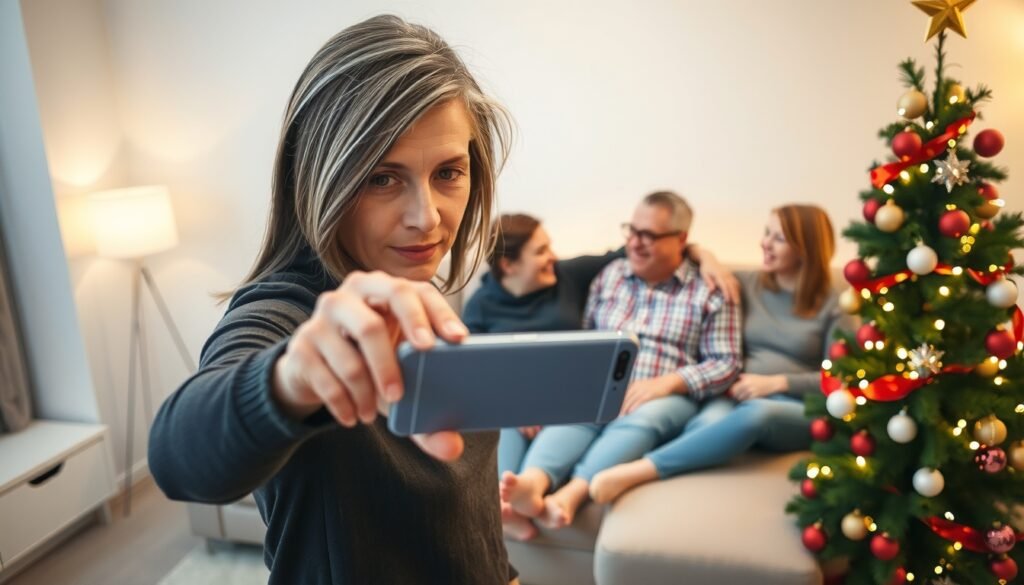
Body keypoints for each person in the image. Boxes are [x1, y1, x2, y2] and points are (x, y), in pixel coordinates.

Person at [148, 15, 520, 584]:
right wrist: (291, 377)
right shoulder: (287, 311)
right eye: (381, 178)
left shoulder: (429, 288)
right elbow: (180, 457)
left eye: (449, 172)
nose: (428, 218)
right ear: (323, 177)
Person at [465, 212, 738, 539]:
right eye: (541, 251)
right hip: (524, 399)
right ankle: (507, 502)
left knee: (586, 412)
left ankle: (538, 491)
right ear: (509, 265)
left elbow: (638, 248)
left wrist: (706, 257)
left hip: (579, 389)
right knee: (500, 421)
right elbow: (475, 371)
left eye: (549, 247)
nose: (553, 256)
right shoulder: (480, 306)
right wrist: (518, 402)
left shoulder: (569, 274)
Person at [589, 204, 849, 504]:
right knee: (706, 423)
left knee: (758, 414)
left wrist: (779, 383)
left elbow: (844, 379)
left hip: (800, 407)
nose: (764, 243)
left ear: (805, 247)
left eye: (778, 238)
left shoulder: (837, 304)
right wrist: (706, 257)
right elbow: (686, 251)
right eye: (766, 233)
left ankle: (638, 472)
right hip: (738, 395)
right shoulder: (746, 284)